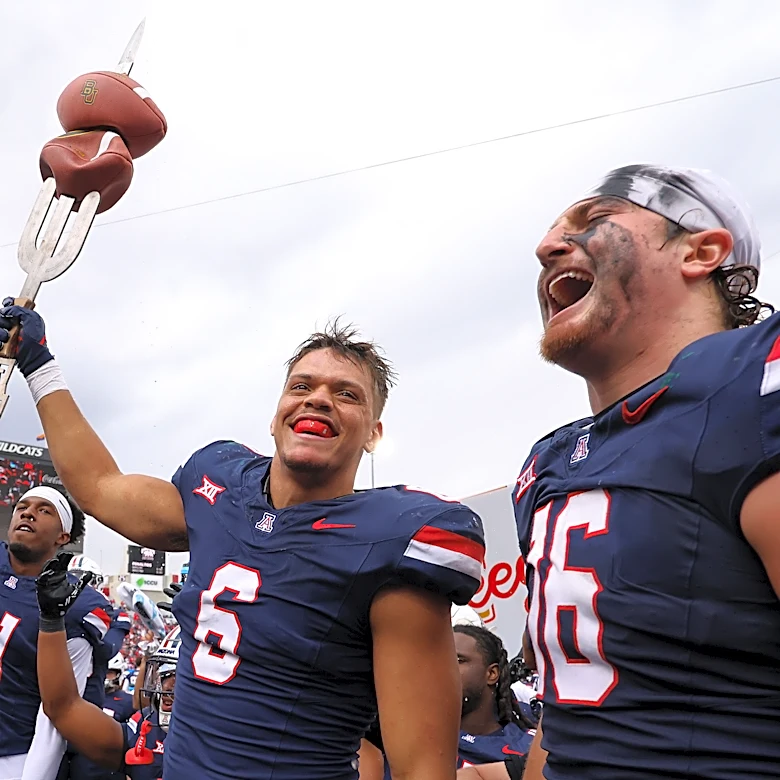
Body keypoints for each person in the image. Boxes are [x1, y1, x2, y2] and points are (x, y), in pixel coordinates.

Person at [0, 313, 486, 780]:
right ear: (275, 418)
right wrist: (39, 363)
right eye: (302, 386)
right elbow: (100, 485)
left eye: (346, 394)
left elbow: (421, 768)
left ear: (374, 434)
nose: (318, 399)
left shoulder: (391, 540)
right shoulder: (219, 489)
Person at [512, 164, 780, 778]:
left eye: (594, 220)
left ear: (701, 250)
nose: (547, 245)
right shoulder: (548, 464)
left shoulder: (750, 384)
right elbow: (569, 706)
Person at [0, 488, 112, 780]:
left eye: (44, 510)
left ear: (63, 536)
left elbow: (59, 711)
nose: (27, 512)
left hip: (15, 751)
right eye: (22, 506)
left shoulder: (75, 603)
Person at [34, 562, 178, 780]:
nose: (167, 688)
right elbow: (62, 707)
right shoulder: (146, 727)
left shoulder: (231, 736)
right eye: (165, 676)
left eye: (179, 677)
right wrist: (52, 621)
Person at [58, 557, 132, 780]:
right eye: (74, 577)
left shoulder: (112, 614)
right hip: (47, 707)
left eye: (84, 578)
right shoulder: (49, 607)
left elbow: (106, 650)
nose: (78, 584)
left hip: (86, 706)